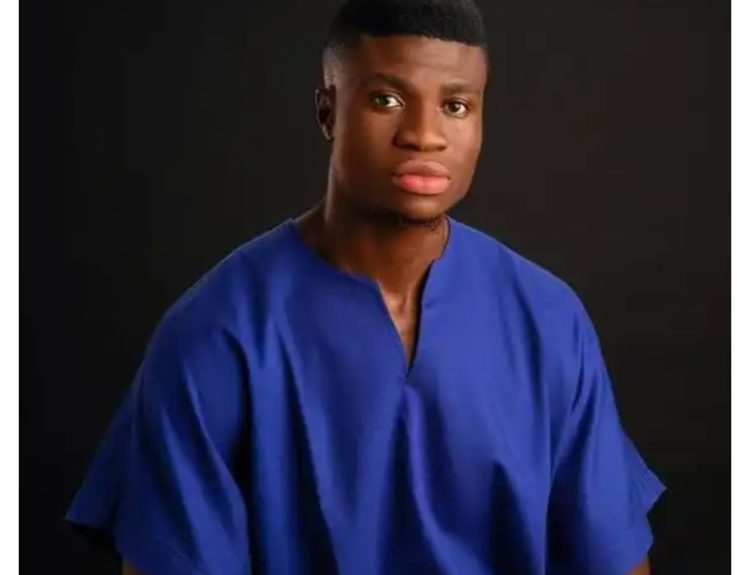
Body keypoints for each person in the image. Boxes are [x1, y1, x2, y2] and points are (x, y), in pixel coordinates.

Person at [65, 0, 665, 573]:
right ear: (327, 111)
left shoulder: (548, 320)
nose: (424, 135)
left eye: (456, 106)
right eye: (386, 99)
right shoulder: (216, 335)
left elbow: (610, 556)